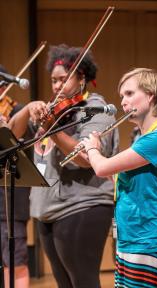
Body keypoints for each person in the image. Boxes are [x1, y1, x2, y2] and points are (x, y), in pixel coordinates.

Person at [10, 44, 119, 288]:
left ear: (82, 77)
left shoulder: (96, 110)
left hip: (83, 205)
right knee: (64, 284)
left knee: (83, 282)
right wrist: (28, 110)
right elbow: (12, 133)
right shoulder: (52, 112)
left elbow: (85, 157)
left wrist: (52, 130)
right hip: (47, 209)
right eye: (53, 80)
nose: (57, 86)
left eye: (63, 80)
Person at [80, 68, 157, 287]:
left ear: (150, 95)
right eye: (121, 97)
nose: (123, 102)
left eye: (129, 94)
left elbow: (102, 168)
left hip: (151, 241)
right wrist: (92, 155)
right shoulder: (142, 140)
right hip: (133, 239)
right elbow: (118, 179)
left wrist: (93, 150)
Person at [0, 64, 31, 288]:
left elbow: (18, 152)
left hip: (9, 201)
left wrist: (5, 130)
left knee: (15, 261)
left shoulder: (17, 111)